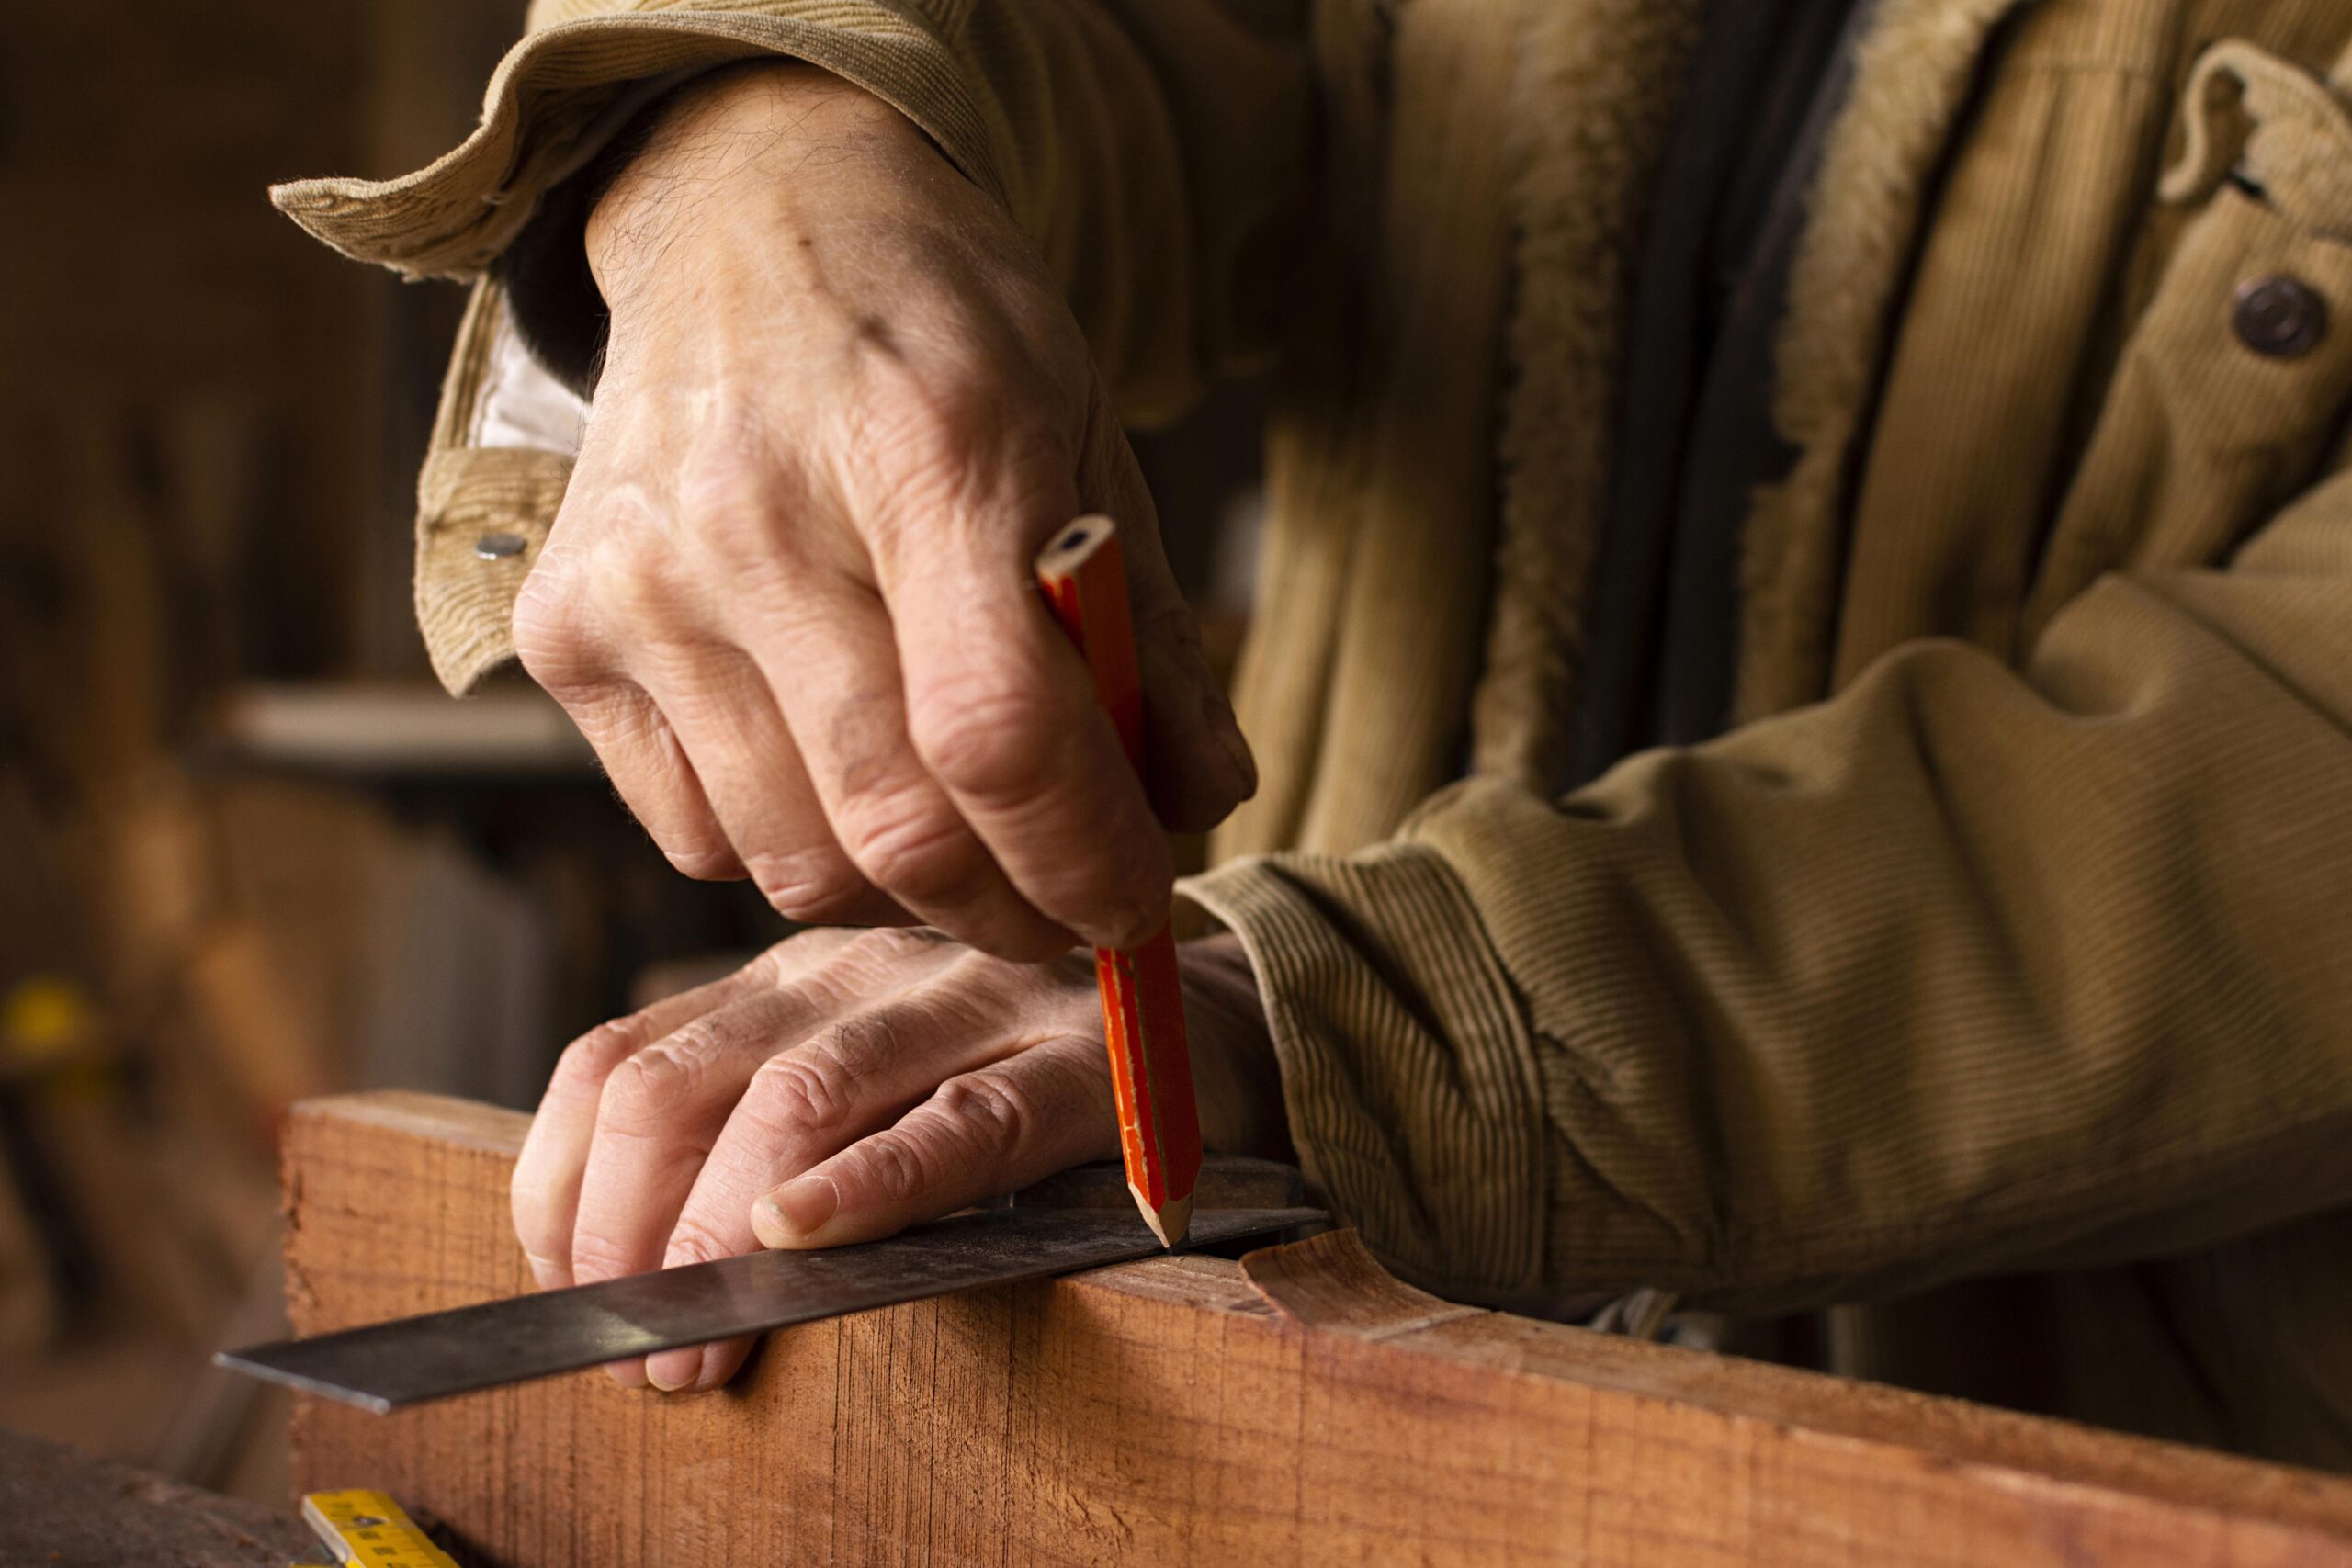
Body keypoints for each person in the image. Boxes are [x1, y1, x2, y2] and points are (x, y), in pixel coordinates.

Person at [277, 0, 2352, 1466]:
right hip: (1332, 1320)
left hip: (2124, 1439)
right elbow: (1167, 54)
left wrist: (1387, 1023)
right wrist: (761, 130)